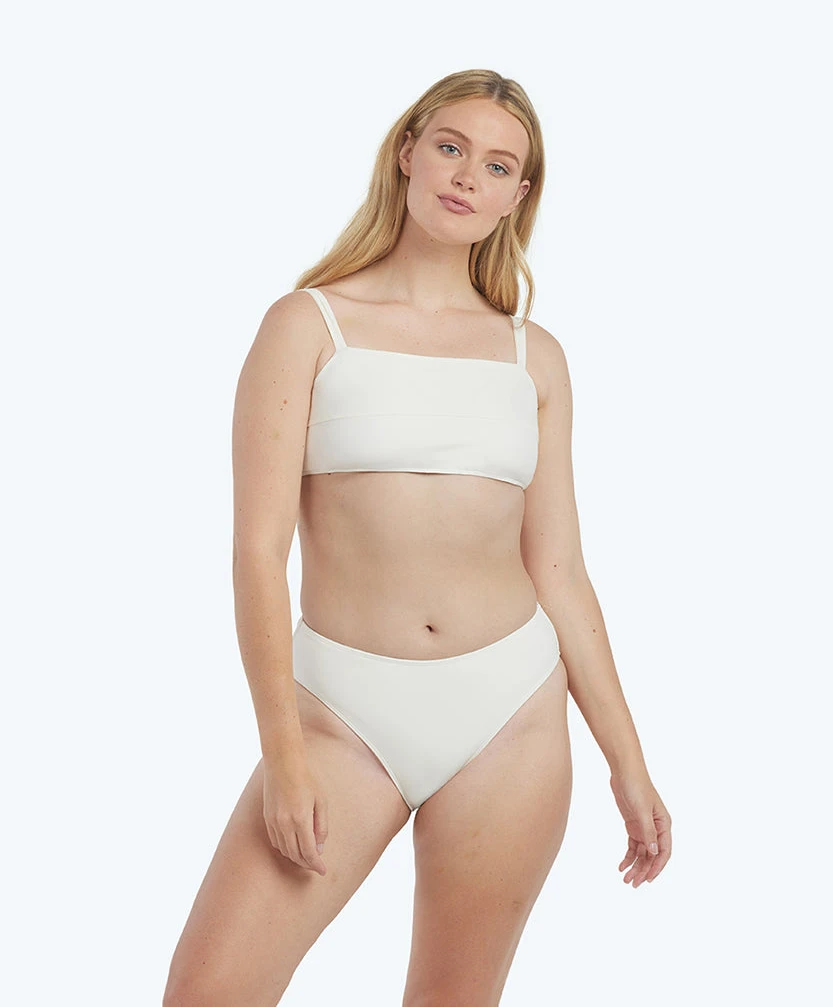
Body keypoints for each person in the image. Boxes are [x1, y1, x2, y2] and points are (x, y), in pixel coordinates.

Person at [163, 68, 672, 1006]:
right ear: (407, 153)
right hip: (341, 714)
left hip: (510, 713)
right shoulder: (308, 325)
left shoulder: (533, 356)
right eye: (449, 147)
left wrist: (626, 762)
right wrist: (283, 757)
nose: (467, 175)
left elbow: (560, 571)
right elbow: (256, 554)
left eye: (497, 165)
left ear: (517, 196)